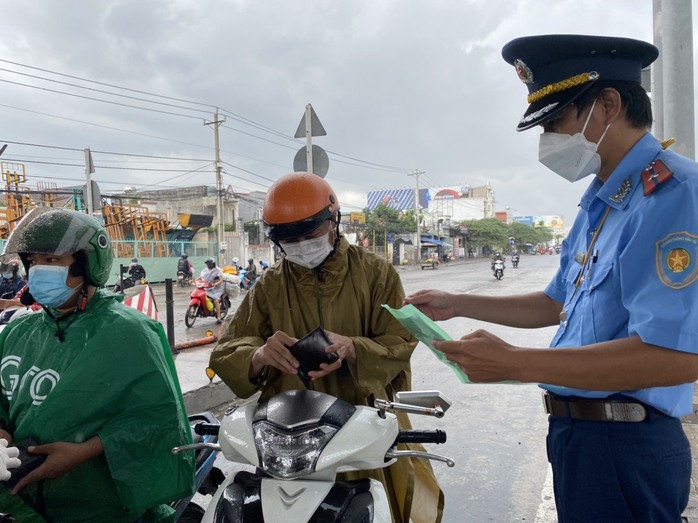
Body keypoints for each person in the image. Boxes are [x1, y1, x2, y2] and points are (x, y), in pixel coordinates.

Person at [405, 35, 698, 522]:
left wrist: (517, 363)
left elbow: (677, 355)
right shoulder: (601, 199)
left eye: (556, 121)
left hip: (626, 445)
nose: (549, 141)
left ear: (607, 105)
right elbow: (555, 303)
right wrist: (458, 302)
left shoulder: (673, 195)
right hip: (579, 439)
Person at [209, 172, 444, 523]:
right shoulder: (270, 284)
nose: (301, 245)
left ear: (333, 221)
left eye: (310, 234)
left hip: (361, 431)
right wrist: (259, 356)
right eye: (290, 240)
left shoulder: (377, 275)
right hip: (286, 440)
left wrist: (354, 348)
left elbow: (400, 341)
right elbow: (228, 349)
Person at [0, 207, 195, 521]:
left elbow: (157, 420)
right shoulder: (16, 332)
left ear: (87, 264)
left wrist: (83, 452)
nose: (37, 271)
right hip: (21, 505)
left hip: (100, 506)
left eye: (51, 261)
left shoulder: (131, 332)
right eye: (33, 262)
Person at [200, 257, 224, 323]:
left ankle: (219, 317)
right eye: (207, 263)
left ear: (213, 263)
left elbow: (221, 280)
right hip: (207, 288)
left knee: (216, 301)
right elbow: (201, 277)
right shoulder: (205, 270)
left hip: (216, 289)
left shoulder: (218, 270)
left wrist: (216, 284)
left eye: (209, 263)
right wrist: (193, 281)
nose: (208, 265)